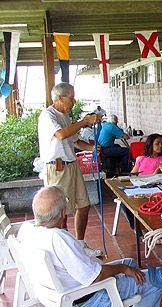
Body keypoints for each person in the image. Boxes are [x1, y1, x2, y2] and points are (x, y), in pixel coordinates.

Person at [18, 186, 162, 307]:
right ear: (63, 212)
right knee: (159, 279)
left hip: (60, 292)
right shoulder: (58, 239)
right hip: (89, 296)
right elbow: (95, 276)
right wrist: (123, 269)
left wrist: (125, 267)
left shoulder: (27, 230)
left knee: (131, 264)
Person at [38, 82, 101, 257]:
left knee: (84, 205)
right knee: (60, 212)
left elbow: (74, 141)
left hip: (72, 165)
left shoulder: (65, 116)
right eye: (71, 98)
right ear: (60, 98)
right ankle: (63, 252)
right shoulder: (47, 116)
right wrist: (85, 121)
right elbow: (61, 135)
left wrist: (92, 148)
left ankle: (80, 245)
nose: (74, 101)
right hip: (57, 168)